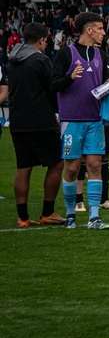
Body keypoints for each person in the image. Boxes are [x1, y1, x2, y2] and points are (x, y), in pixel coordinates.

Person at [51, 12, 109, 230]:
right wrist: (69, 78)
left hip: (94, 120)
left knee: (94, 165)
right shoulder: (65, 55)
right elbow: (52, 85)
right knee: (71, 167)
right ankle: (70, 214)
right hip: (71, 120)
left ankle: (94, 217)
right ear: (89, 30)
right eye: (100, 28)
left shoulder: (104, 57)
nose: (103, 32)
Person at [3, 23, 65, 228]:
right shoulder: (40, 60)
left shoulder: (12, 60)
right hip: (41, 120)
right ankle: (47, 212)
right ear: (41, 40)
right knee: (56, 163)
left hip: (18, 120)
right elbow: (52, 87)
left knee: (23, 167)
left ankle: (22, 217)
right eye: (46, 40)